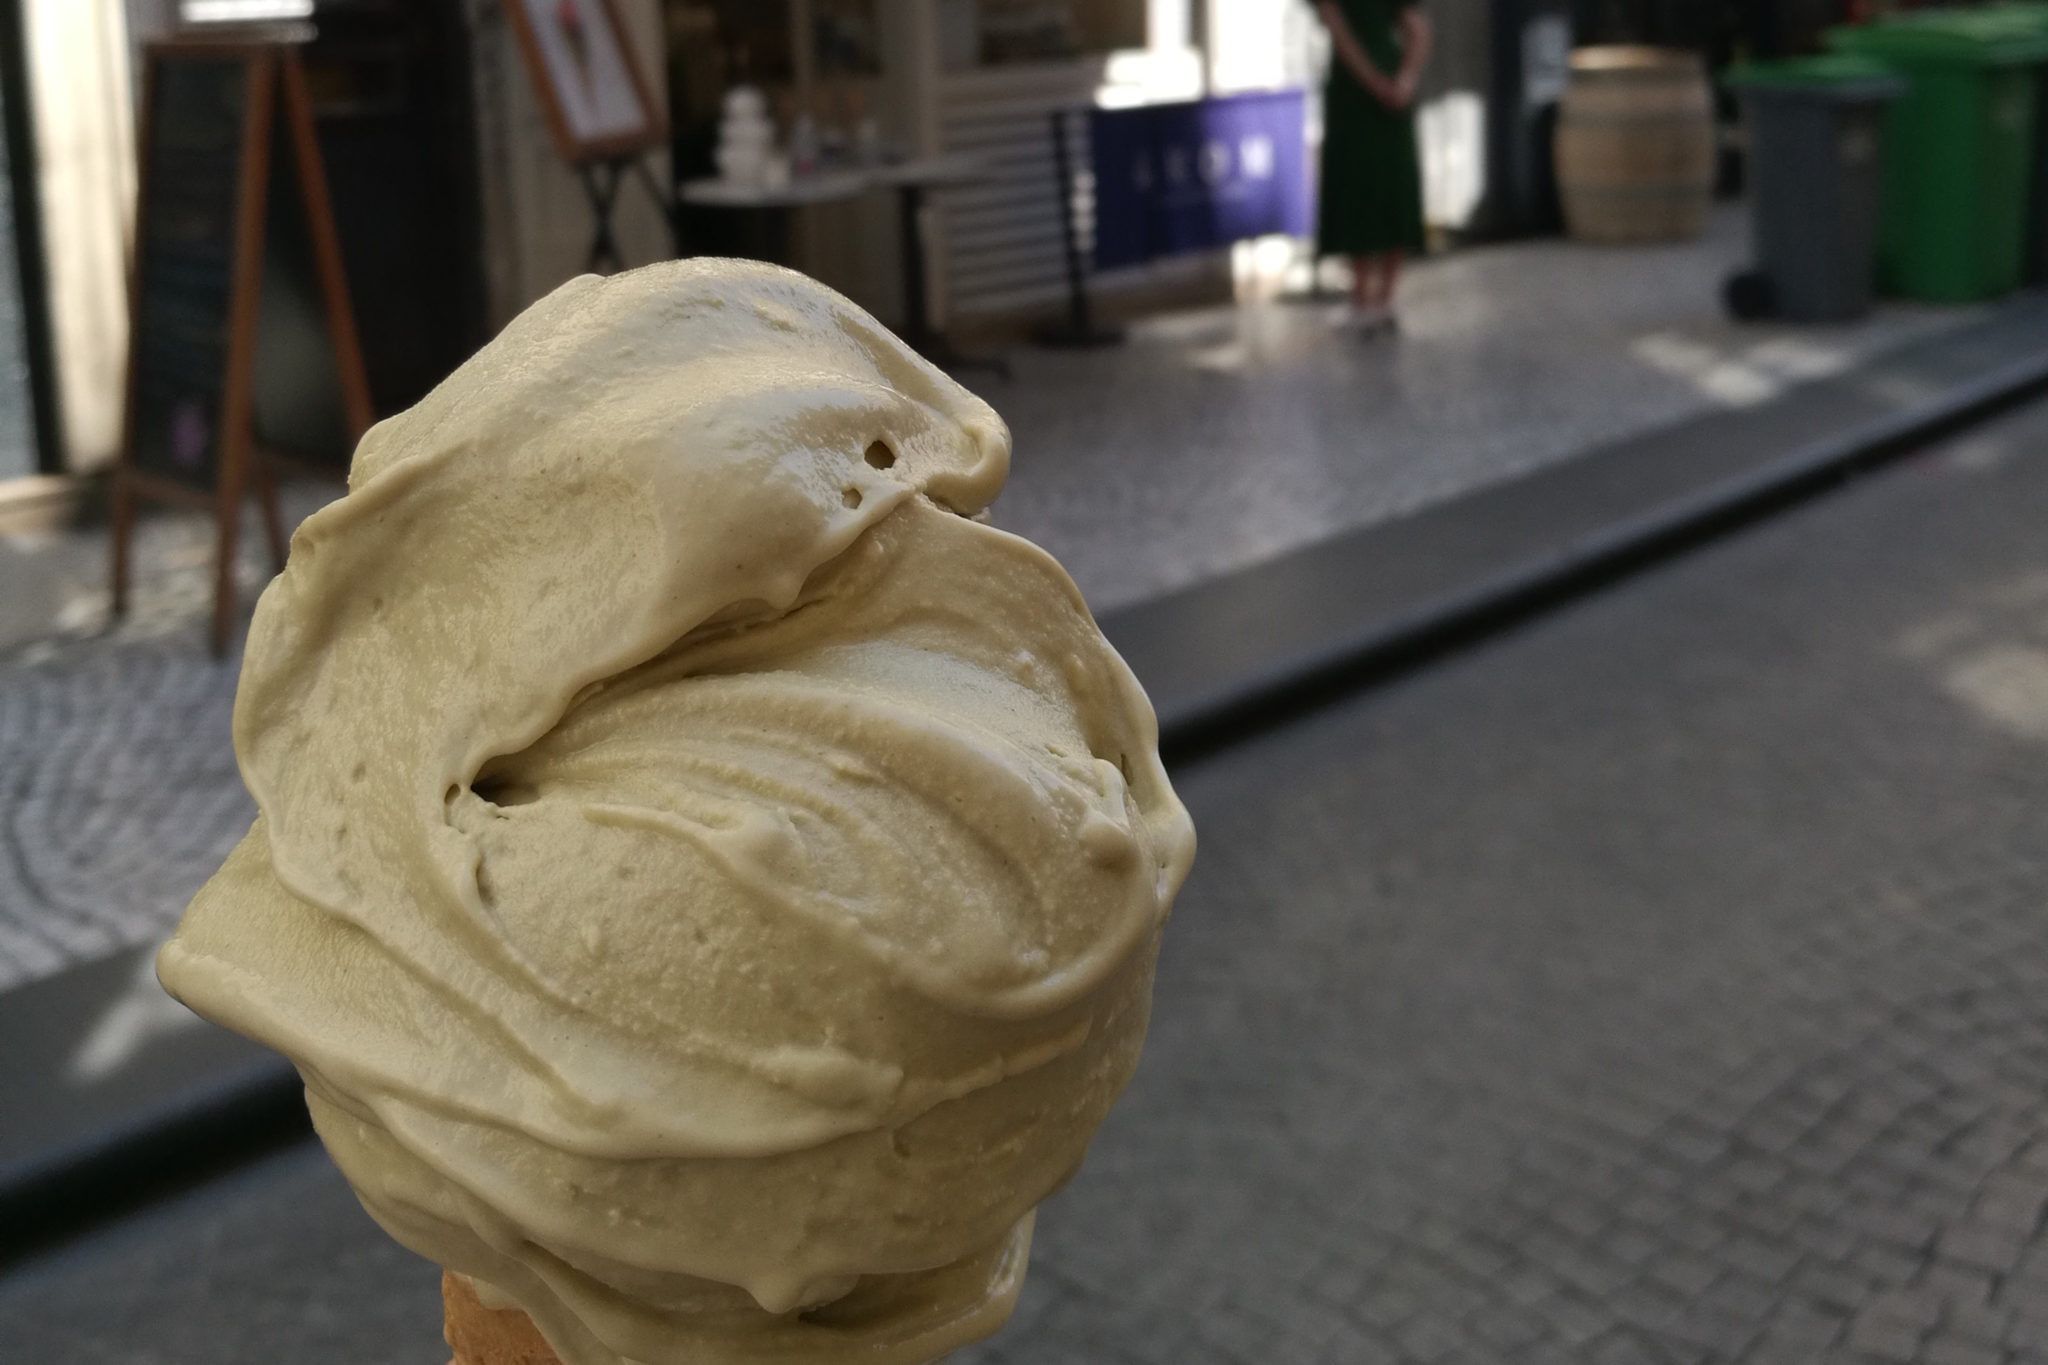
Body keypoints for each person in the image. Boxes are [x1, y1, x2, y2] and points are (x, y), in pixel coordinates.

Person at [1312, 0, 1431, 333]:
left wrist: (1379, 83)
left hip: (1358, 89)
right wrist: (1403, 80)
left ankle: (1365, 298)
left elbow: (1340, 32)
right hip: (1384, 82)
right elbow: (1418, 29)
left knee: (1364, 186)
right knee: (1386, 183)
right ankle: (1382, 298)